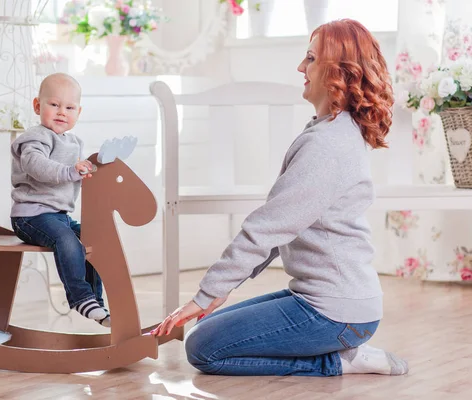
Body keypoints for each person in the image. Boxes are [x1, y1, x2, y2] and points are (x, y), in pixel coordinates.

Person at [152, 19, 409, 376]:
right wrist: (217, 293)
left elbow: (267, 228)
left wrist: (206, 294)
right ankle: (344, 349)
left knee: (203, 349)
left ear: (338, 71)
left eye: (310, 58)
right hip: (332, 302)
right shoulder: (331, 132)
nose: (301, 67)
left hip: (336, 312)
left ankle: (341, 361)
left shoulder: (327, 146)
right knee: (204, 329)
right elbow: (281, 224)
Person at [10, 73, 110, 327]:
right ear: (37, 106)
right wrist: (71, 172)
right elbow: (37, 166)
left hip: (58, 216)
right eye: (54, 105)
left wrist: (91, 168)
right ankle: (80, 297)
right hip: (31, 216)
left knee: (94, 237)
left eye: (69, 107)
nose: (61, 112)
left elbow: (77, 170)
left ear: (79, 111)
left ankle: (95, 301)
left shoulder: (74, 142)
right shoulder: (35, 138)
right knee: (66, 239)